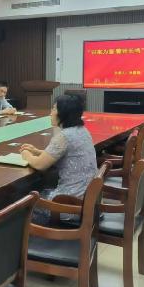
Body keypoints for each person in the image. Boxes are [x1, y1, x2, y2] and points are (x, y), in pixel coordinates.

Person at [19, 95, 97, 223]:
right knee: (43, 189)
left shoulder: (64, 136)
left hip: (69, 205)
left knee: (23, 201)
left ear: (63, 113)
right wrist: (37, 152)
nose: (50, 113)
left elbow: (40, 165)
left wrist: (26, 154)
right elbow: (62, 155)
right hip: (87, 200)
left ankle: (33, 232)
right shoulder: (82, 131)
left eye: (54, 109)